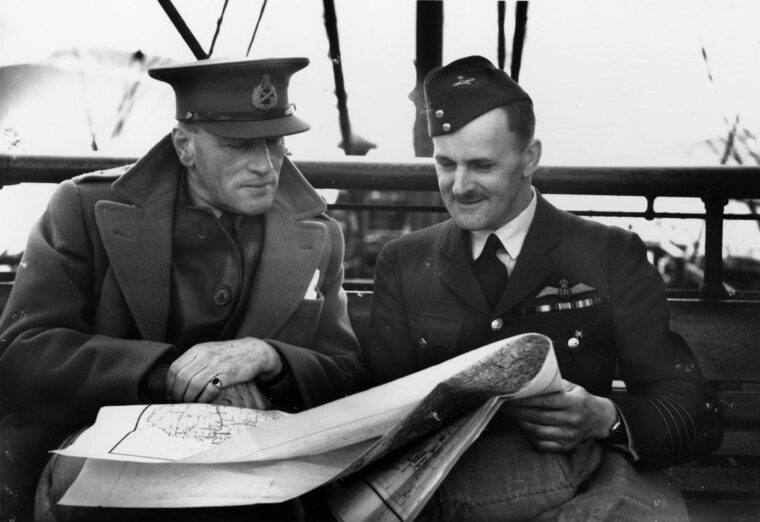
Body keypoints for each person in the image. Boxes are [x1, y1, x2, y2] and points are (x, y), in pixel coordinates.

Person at [0, 57, 367, 521]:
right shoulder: (84, 208)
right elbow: (24, 353)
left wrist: (268, 357)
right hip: (97, 450)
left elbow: (348, 373)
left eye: (275, 142)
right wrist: (169, 374)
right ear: (185, 146)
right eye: (238, 146)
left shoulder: (318, 233)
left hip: (254, 466)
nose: (265, 166)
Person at [367, 55, 724, 520]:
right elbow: (374, 409)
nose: (459, 186)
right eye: (445, 163)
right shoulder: (404, 262)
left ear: (530, 158)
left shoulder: (610, 255)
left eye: (481, 165)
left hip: (572, 495)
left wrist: (605, 417)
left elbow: (697, 411)